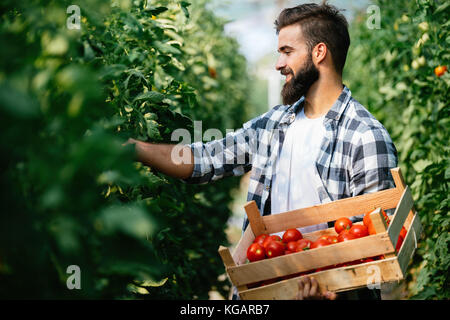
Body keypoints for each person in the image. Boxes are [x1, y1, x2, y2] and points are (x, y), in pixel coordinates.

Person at [126, 2, 398, 300]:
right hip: (262, 289)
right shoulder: (273, 125)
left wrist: (330, 286)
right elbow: (204, 160)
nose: (279, 64)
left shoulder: (364, 136)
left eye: (287, 52)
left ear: (319, 52)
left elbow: (377, 248)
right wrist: (135, 149)